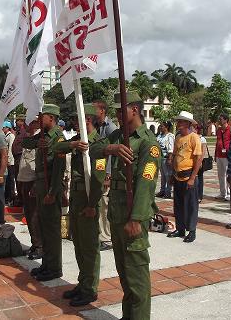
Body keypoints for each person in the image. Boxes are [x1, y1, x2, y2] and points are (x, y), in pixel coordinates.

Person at [90, 92, 161, 320]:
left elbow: (146, 184)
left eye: (122, 110)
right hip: (117, 213)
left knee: (137, 279)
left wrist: (137, 218)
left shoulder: (148, 143)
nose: (118, 115)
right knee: (125, 275)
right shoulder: (118, 136)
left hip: (132, 216)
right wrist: (109, 149)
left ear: (135, 110)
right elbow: (91, 150)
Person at [55, 104, 106, 307]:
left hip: (88, 201)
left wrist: (93, 204)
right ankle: (82, 283)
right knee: (78, 244)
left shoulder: (98, 143)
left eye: (79, 119)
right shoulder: (77, 140)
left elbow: (99, 176)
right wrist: (73, 146)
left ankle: (90, 289)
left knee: (90, 248)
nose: (75, 122)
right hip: (76, 199)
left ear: (89, 120)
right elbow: (56, 147)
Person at [23, 104, 66, 282]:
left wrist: (53, 192)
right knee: (43, 225)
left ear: (52, 117)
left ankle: (55, 267)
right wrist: (36, 142)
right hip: (41, 183)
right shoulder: (43, 136)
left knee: (52, 230)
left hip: (50, 187)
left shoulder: (58, 138)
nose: (40, 120)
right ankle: (47, 264)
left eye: (43, 116)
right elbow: (25, 143)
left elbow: (59, 169)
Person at [167, 112, 202, 243]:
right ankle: (180, 228)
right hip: (177, 175)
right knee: (179, 204)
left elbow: (198, 158)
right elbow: (175, 155)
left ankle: (192, 230)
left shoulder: (194, 138)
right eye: (178, 121)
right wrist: (172, 174)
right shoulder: (178, 138)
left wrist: (193, 178)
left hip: (189, 175)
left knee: (191, 205)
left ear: (188, 123)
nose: (178, 124)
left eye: (181, 122)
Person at [93, 100, 117, 252]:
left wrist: (108, 175)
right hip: (98, 171)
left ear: (102, 111)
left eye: (94, 109)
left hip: (105, 174)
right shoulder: (97, 127)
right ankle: (100, 235)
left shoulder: (111, 128)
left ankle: (106, 238)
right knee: (99, 204)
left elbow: (113, 154)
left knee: (104, 206)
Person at [18, 119, 43, 260]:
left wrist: (35, 185)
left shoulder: (40, 138)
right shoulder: (30, 138)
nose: (25, 125)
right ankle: (35, 243)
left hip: (34, 181)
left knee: (34, 215)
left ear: (36, 123)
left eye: (29, 122)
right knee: (29, 213)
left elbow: (38, 164)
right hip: (25, 180)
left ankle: (39, 245)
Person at [155, 121, 175, 199]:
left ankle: (168, 192)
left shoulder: (170, 136)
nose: (160, 127)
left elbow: (171, 148)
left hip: (166, 158)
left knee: (168, 175)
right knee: (163, 175)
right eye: (160, 126)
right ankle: (162, 190)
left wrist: (170, 158)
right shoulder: (160, 136)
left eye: (162, 126)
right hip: (160, 157)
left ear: (166, 127)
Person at [11, 115, 27, 204]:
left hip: (20, 157)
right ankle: (20, 199)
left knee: (21, 180)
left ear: (22, 121)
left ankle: (22, 200)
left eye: (18, 121)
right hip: (17, 158)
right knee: (18, 179)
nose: (16, 123)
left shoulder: (24, 132)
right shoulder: (19, 132)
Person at [215, 114, 231, 201]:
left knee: (227, 174)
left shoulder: (230, 129)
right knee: (220, 175)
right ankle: (222, 192)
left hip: (226, 155)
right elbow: (217, 142)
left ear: (226, 120)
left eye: (221, 119)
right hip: (219, 155)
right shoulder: (219, 130)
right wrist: (215, 154)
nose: (219, 121)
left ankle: (228, 193)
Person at [2, 120, 16, 205]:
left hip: (10, 161)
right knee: (7, 180)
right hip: (7, 160)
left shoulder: (11, 136)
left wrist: (8, 160)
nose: (2, 129)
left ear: (7, 128)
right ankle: (7, 197)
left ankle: (10, 197)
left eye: (3, 127)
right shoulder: (5, 136)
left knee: (10, 180)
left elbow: (10, 148)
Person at [194, 124, 208, 203]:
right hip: (193, 161)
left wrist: (200, 161)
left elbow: (203, 152)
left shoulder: (202, 139)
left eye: (195, 128)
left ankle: (199, 195)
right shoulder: (192, 137)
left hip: (199, 161)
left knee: (199, 178)